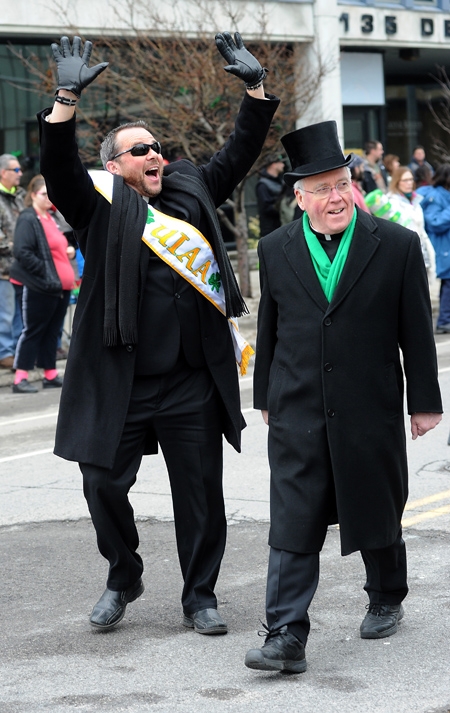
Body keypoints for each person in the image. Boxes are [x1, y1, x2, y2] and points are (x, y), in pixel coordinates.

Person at [38, 35, 279, 633]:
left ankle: (200, 595)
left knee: (199, 494)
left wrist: (255, 91)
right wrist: (65, 99)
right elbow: (60, 169)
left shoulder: (191, 192)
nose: (155, 155)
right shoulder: (97, 207)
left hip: (191, 378)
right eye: (139, 149)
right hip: (122, 379)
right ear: (115, 166)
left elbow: (241, 150)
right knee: (100, 484)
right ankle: (124, 575)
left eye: (157, 148)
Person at [245, 120, 442, 674]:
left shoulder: (395, 246)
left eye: (342, 184)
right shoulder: (276, 248)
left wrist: (423, 401)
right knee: (293, 517)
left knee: (375, 505)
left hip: (368, 404)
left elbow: (416, 332)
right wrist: (265, 394)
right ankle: (285, 634)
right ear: (300, 196)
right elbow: (271, 327)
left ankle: (386, 596)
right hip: (297, 405)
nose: (336, 197)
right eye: (323, 188)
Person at [9, 175, 75, 393]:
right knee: (33, 331)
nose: (49, 198)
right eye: (44, 194)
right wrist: (47, 272)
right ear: (33, 195)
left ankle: (50, 374)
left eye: (50, 194)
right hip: (39, 285)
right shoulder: (28, 218)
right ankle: (20, 378)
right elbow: (22, 252)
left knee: (52, 331)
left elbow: (55, 250)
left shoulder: (50, 218)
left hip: (59, 287)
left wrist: (69, 251)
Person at [385, 166, 435, 284]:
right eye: (405, 180)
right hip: (402, 256)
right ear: (397, 182)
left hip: (421, 252)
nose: (409, 183)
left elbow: (421, 230)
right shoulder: (390, 203)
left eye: (411, 179)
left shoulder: (415, 201)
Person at [417, 164, 450, 334]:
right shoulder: (436, 196)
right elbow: (435, 222)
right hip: (441, 247)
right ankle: (444, 320)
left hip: (445, 246)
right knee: (447, 283)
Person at [0, 154, 26, 368]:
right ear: (3, 173)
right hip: (4, 269)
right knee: (6, 313)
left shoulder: (20, 196)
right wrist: (20, 249)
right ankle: (4, 353)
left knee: (20, 312)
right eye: (16, 170)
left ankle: (18, 351)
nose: (20, 174)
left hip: (22, 267)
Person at [256, 154, 285, 236]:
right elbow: (266, 208)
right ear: (273, 164)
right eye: (280, 162)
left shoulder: (281, 182)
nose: (283, 165)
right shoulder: (263, 185)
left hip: (282, 227)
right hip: (270, 231)